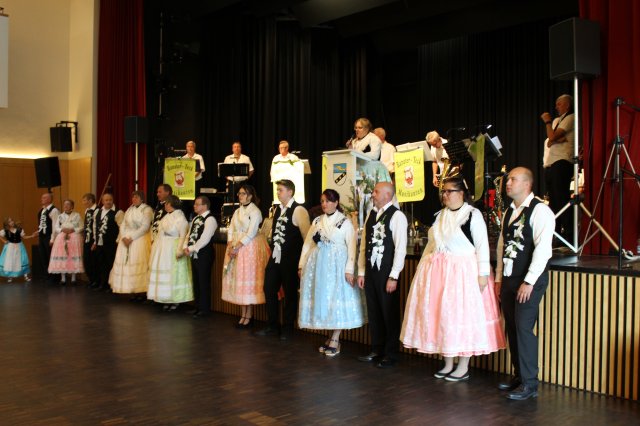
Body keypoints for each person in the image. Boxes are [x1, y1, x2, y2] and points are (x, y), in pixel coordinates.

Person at [400, 176, 506, 381]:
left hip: (463, 274)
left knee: (462, 317)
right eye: (444, 191)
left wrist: (483, 274)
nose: (445, 195)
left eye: (450, 191)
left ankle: (463, 365)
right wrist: (422, 269)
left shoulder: (472, 215)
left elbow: (482, 246)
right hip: (441, 274)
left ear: (461, 193)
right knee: (444, 316)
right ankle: (448, 362)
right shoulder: (441, 215)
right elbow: (432, 244)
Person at [495, 167, 555, 400]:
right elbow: (502, 246)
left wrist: (529, 281)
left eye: (513, 179)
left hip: (529, 280)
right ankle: (519, 376)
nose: (508, 183)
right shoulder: (509, 211)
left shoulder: (540, 210)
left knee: (523, 328)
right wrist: (499, 278)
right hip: (510, 279)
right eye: (508, 179)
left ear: (527, 184)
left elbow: (543, 250)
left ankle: (530, 383)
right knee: (512, 327)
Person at [298, 189, 365, 357]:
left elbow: (352, 247)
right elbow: (308, 244)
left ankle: (336, 338)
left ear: (336, 202)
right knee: (325, 300)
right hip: (320, 267)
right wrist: (302, 264)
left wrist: (349, 270)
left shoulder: (345, 222)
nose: (324, 204)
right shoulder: (317, 221)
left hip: (337, 267)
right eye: (322, 201)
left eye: (328, 201)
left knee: (337, 298)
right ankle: (331, 337)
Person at [357, 182, 407, 368]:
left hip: (387, 273)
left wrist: (394, 276)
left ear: (387, 195)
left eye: (376, 191)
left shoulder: (397, 216)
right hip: (371, 272)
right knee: (374, 312)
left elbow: (400, 249)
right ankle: (376, 349)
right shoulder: (371, 214)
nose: (373, 194)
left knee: (389, 313)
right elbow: (364, 246)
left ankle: (390, 353)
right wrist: (362, 271)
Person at [257, 179, 310, 340]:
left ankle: (288, 327)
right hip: (275, 258)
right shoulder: (278, 209)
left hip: (291, 259)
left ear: (290, 192)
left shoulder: (298, 210)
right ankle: (272, 325)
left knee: (290, 293)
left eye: (280, 190)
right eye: (277, 190)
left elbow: (307, 237)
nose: (278, 193)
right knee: (269, 288)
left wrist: (302, 262)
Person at [221, 185, 270, 327]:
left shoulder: (255, 211)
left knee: (247, 278)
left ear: (250, 196)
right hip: (236, 247)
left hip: (248, 247)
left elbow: (252, 231)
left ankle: (249, 315)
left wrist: (238, 246)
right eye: (239, 193)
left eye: (243, 193)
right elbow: (231, 228)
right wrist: (230, 243)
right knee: (239, 278)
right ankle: (243, 313)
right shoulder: (237, 211)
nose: (240, 196)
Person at [148, 195, 193, 310]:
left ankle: (175, 300)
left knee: (174, 274)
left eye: (166, 203)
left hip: (173, 246)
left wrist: (179, 250)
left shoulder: (180, 217)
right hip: (163, 248)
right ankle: (165, 297)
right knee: (164, 273)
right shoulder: (166, 216)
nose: (165, 205)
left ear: (170, 204)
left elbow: (183, 235)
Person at [541, 94, 575, 242]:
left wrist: (547, 122)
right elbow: (550, 141)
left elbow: (552, 137)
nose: (556, 107)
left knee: (562, 198)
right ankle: (556, 234)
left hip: (562, 161)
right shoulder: (557, 121)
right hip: (551, 163)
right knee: (553, 201)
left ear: (567, 105)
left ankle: (569, 235)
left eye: (559, 104)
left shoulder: (571, 118)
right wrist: (554, 137)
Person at [109, 191, 153, 298]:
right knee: (127, 265)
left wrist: (132, 238)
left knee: (138, 263)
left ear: (142, 199)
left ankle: (141, 291)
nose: (134, 199)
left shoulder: (146, 209)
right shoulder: (129, 209)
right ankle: (132, 289)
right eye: (133, 197)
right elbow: (123, 224)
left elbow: (145, 226)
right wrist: (124, 237)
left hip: (139, 239)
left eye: (136, 197)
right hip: (126, 239)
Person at [183, 195, 217, 318]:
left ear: (205, 206)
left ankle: (204, 309)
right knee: (196, 281)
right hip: (194, 253)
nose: (194, 206)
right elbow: (189, 234)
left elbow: (205, 238)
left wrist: (192, 248)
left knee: (203, 282)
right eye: (195, 204)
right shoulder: (196, 218)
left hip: (205, 254)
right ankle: (197, 307)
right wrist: (185, 246)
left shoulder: (210, 219)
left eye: (197, 204)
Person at [92, 193, 124, 292]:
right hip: (99, 243)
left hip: (111, 243)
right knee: (101, 263)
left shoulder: (118, 212)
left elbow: (122, 228)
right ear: (102, 201)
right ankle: (103, 283)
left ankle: (111, 285)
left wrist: (118, 241)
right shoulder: (97, 211)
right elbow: (94, 227)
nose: (108, 202)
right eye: (106, 200)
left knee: (110, 264)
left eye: (110, 200)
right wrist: (95, 241)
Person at [48, 199, 84, 284]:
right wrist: (62, 229)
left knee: (73, 255)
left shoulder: (77, 215)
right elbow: (56, 227)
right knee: (62, 256)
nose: (66, 206)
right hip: (62, 237)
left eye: (68, 204)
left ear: (72, 206)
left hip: (74, 237)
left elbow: (82, 226)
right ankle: (63, 278)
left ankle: (73, 278)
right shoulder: (60, 216)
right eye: (65, 205)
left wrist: (73, 229)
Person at [33, 192, 59, 283]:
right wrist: (38, 232)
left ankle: (54, 277)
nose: (42, 199)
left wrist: (52, 239)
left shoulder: (54, 210)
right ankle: (47, 275)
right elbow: (43, 224)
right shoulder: (42, 210)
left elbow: (55, 225)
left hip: (49, 237)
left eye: (44, 197)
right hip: (42, 237)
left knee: (50, 257)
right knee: (43, 257)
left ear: (49, 199)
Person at [0, 217, 33, 282]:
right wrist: (4, 241)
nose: (11, 222)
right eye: (9, 222)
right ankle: (10, 276)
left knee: (22, 260)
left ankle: (26, 276)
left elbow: (24, 237)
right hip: (10, 247)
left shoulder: (19, 230)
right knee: (10, 260)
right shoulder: (5, 231)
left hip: (19, 246)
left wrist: (32, 236)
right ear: (7, 224)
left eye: (12, 220)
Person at [81, 193, 99, 288]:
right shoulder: (87, 210)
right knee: (87, 260)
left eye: (84, 200)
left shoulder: (97, 210)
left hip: (93, 240)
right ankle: (91, 279)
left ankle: (96, 280)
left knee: (93, 261)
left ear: (90, 200)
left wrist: (95, 241)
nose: (83, 202)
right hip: (87, 239)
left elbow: (96, 226)